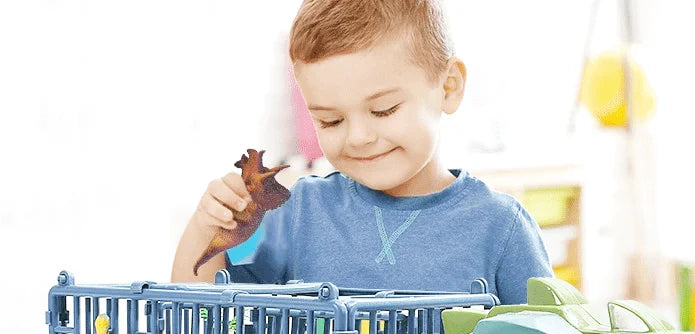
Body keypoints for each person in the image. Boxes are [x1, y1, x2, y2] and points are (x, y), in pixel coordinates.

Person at [171, 0, 551, 303]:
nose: (358, 137)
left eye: (383, 110)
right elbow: (203, 317)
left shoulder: (500, 227)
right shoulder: (298, 212)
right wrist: (207, 227)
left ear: (448, 88)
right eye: (331, 121)